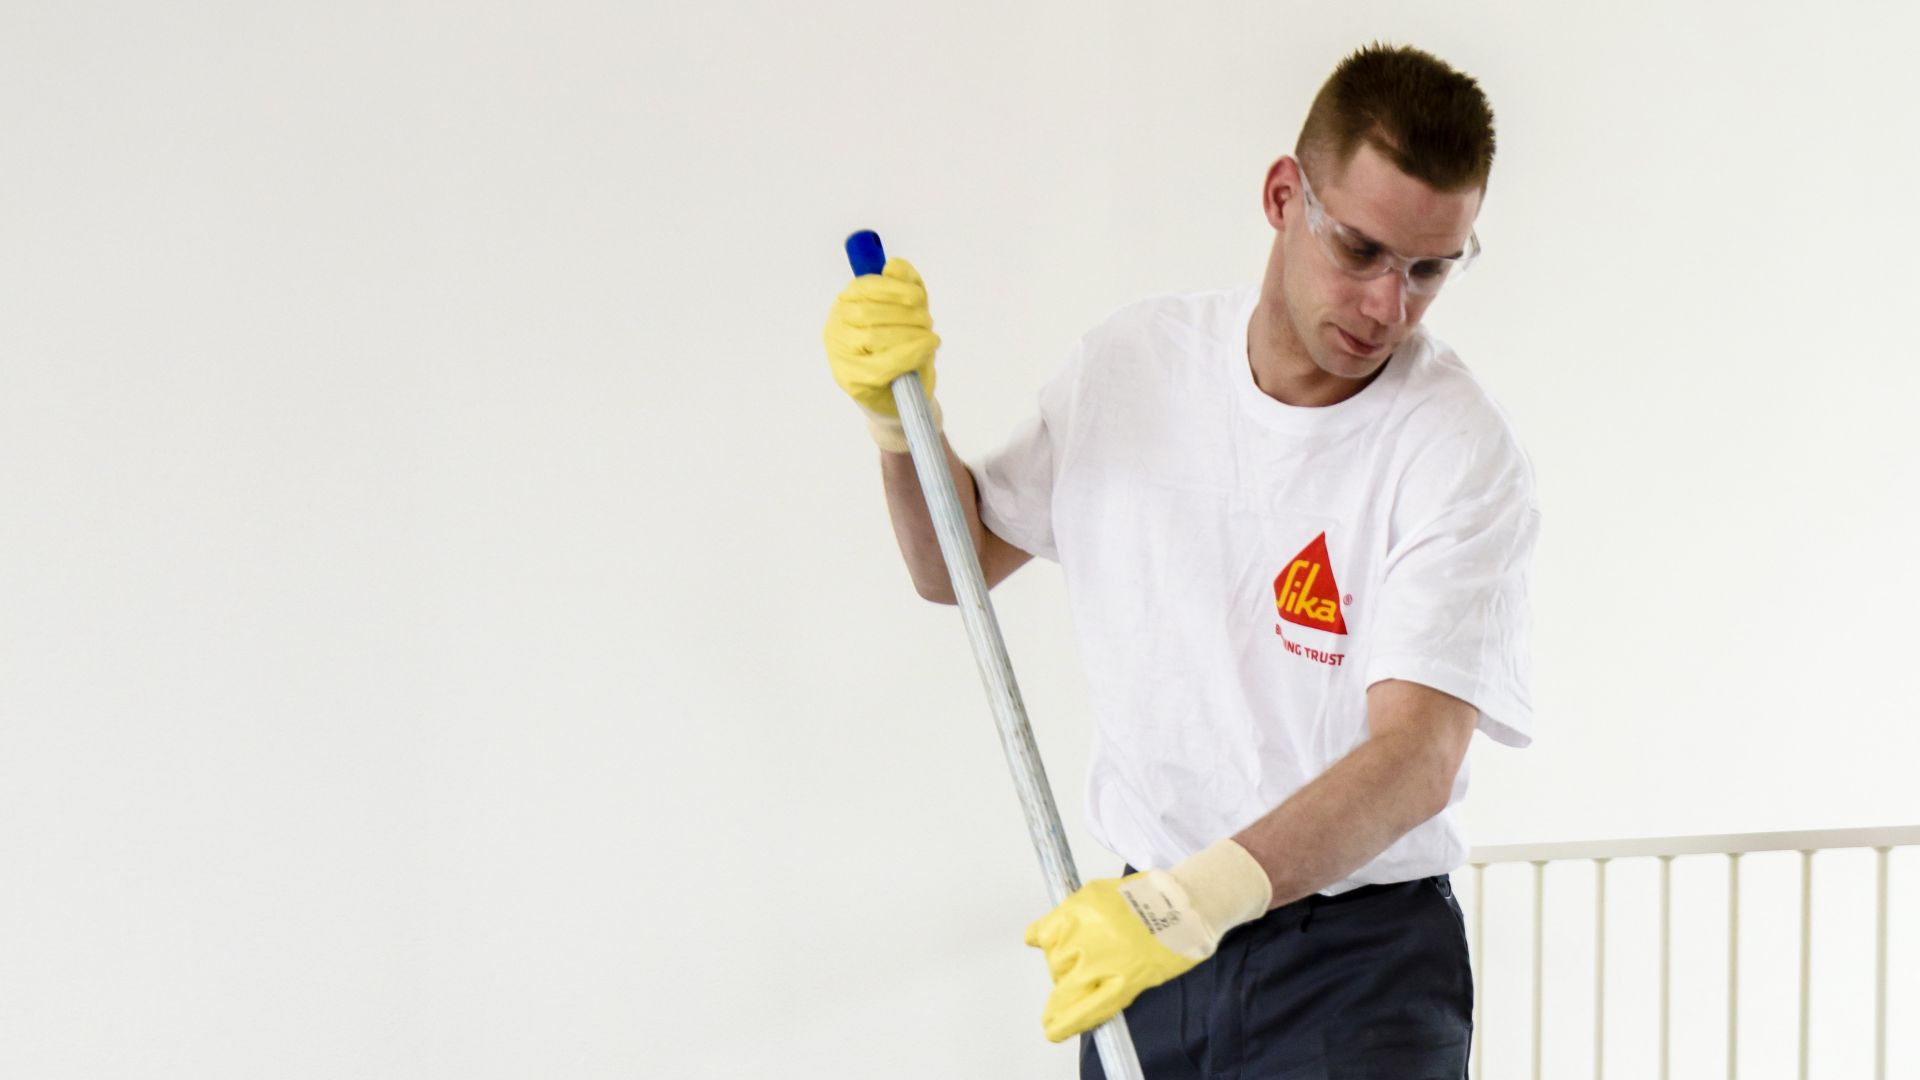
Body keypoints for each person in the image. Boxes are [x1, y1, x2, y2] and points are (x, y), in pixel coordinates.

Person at [822, 41, 1538, 1078]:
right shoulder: (1134, 369)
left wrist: (1188, 902)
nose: (1389, 305)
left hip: (1357, 967)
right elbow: (952, 568)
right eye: (1362, 250)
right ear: (1284, 195)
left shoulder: (1454, 448)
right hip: (1150, 954)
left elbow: (1417, 759)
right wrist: (905, 427)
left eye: (1430, 269)